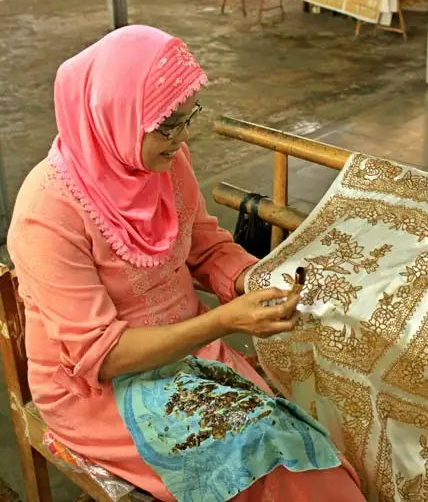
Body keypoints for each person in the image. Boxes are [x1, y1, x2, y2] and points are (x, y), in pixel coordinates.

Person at [7, 25, 365, 501]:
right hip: (98, 393)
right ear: (113, 117)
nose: (181, 137)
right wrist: (222, 321)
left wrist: (255, 281)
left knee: (304, 435)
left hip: (185, 353)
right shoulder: (47, 213)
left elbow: (205, 247)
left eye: (185, 118)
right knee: (265, 448)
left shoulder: (165, 165)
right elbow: (103, 356)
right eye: (166, 126)